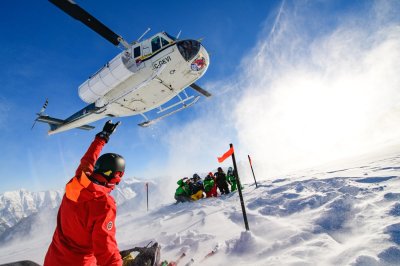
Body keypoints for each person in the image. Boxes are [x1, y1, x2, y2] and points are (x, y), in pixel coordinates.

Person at [44, 121, 125, 266]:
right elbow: (107, 251)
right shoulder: (104, 205)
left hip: (53, 259)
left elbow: (88, 159)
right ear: (116, 176)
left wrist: (102, 137)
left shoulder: (78, 181)